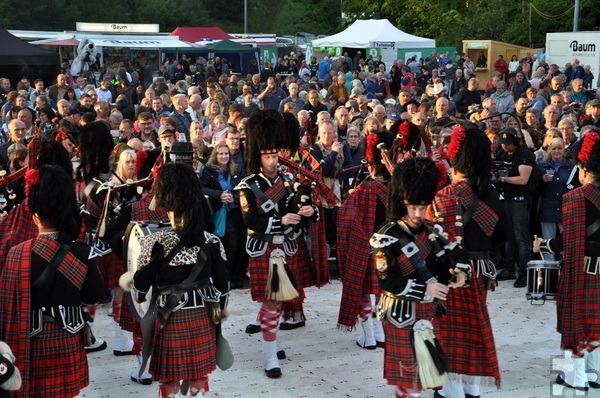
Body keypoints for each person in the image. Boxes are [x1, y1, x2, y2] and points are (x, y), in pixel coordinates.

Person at [122, 162, 229, 397]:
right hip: (203, 316)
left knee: (169, 379)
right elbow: (223, 287)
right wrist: (220, 312)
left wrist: (132, 280)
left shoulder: (156, 242)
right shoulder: (211, 241)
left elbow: (141, 287)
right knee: (199, 376)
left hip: (168, 317)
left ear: (168, 205)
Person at [0, 165, 105, 398]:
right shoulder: (81, 252)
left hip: (30, 342)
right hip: (66, 338)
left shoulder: (18, 253)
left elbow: (6, 307)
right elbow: (94, 295)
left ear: (35, 216)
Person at [370, 157, 469, 398]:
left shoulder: (432, 231)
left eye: (422, 207)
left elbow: (457, 254)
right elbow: (387, 281)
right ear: (402, 203)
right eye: (413, 207)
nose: (417, 213)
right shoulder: (386, 237)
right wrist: (426, 290)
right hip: (400, 313)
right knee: (410, 377)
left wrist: (460, 272)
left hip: (427, 313)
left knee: (424, 376)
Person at [235, 109, 318, 378]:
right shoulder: (247, 186)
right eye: (268, 155)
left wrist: (309, 212)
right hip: (264, 249)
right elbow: (251, 222)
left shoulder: (290, 181)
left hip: (287, 248)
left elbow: (303, 209)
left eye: (275, 154)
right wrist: (282, 219)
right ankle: (270, 357)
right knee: (271, 302)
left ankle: (274, 342)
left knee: (280, 301)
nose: (273, 160)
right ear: (258, 155)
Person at [432, 125, 512, 398]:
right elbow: (505, 235)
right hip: (480, 270)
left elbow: (432, 243)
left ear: (455, 160)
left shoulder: (443, 197)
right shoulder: (490, 195)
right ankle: (472, 388)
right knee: (472, 327)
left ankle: (450, 390)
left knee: (449, 331)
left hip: (449, 272)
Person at [533, 130, 600, 392]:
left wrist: (542, 245)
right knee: (596, 321)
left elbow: (566, 242)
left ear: (583, 168)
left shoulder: (574, 198)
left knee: (576, 322)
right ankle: (594, 372)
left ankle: (577, 377)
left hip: (580, 268)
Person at [337, 131, 390, 350]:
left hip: (364, 248)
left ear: (369, 167)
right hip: (387, 250)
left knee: (362, 291)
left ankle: (368, 336)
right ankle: (380, 333)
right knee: (382, 291)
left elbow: (346, 219)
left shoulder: (362, 190)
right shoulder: (393, 189)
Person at [495, 127, 535, 288]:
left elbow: (523, 179)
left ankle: (524, 273)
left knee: (521, 239)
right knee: (509, 237)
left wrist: (502, 179)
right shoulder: (502, 154)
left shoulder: (525, 155)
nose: (505, 146)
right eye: (503, 143)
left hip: (520, 200)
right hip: (506, 198)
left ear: (515, 142)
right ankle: (509, 268)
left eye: (508, 143)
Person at [200, 143, 244, 287]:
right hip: (218, 212)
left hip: (235, 212)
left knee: (235, 245)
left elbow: (244, 188)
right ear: (215, 155)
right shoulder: (208, 170)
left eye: (226, 154)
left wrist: (234, 198)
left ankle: (233, 275)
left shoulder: (236, 170)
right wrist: (219, 195)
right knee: (221, 245)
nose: (224, 156)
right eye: (221, 154)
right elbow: (201, 188)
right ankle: (222, 276)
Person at [537, 137, 579, 260]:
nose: (556, 151)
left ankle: (566, 268)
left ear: (564, 150)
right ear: (549, 150)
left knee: (567, 241)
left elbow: (577, 185)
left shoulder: (572, 166)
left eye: (559, 148)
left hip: (566, 209)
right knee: (548, 242)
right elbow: (535, 188)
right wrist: (542, 180)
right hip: (547, 208)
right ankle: (549, 272)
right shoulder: (542, 166)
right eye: (553, 148)